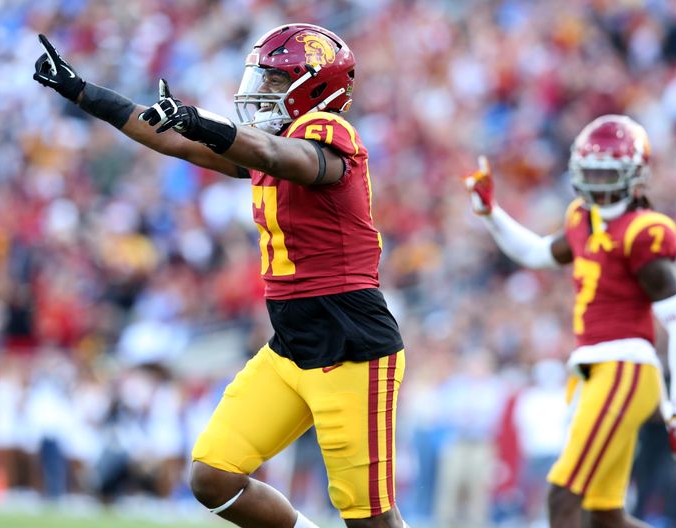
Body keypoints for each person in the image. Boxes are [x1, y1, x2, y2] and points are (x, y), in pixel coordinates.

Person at [34, 24, 409, 528]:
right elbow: (173, 143)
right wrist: (82, 93)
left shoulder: (328, 136)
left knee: (369, 521)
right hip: (292, 345)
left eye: (276, 81)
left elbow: (278, 155)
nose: (261, 90)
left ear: (315, 86)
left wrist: (202, 122)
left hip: (350, 349)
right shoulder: (269, 143)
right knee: (213, 476)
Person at [462, 114, 676, 527]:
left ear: (634, 176)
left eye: (606, 173)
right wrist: (491, 214)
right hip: (596, 368)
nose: (597, 183)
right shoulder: (583, 218)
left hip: (625, 368)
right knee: (604, 518)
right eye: (590, 173)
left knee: (563, 495)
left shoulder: (642, 232)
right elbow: (539, 253)